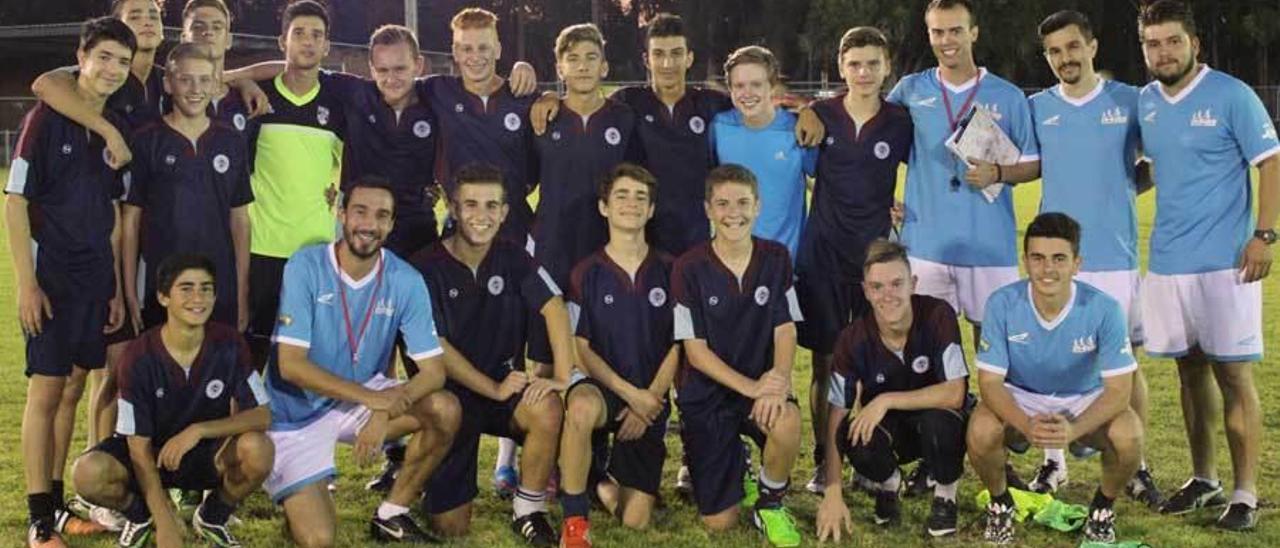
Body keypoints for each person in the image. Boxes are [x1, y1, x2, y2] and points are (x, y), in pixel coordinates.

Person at [1135, 0, 1278, 530]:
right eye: (1153, 43)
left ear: (1195, 43)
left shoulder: (1230, 95)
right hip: (1169, 262)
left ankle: (1244, 494)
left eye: (1173, 41)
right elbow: (1151, 167)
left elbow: (1270, 161)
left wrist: (1263, 235)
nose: (1163, 51)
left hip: (1226, 264)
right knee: (1188, 371)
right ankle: (1204, 478)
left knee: (1234, 374)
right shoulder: (1147, 103)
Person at [263, 177, 462, 545]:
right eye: (360, 212)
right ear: (340, 214)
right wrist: (373, 400)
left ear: (391, 224)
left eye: (381, 216)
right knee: (318, 539)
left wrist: (384, 409)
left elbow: (434, 371)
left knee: (445, 409)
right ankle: (298, 495)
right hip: (296, 412)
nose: (369, 224)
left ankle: (391, 514)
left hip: (363, 399)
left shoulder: (406, 279)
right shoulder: (305, 265)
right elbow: (291, 366)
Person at [5, 17, 134, 547]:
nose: (112, 69)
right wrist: (26, 283)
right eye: (103, 56)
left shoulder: (117, 122)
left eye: (122, 62)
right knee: (47, 389)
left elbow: (113, 212)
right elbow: (15, 204)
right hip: (51, 274)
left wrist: (114, 288)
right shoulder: (46, 117)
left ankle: (55, 507)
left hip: (93, 278)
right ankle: (39, 520)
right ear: (81, 57)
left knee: (76, 387)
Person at [1026, 9, 1161, 505]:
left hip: (1114, 258)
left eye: (1072, 47)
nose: (1065, 58)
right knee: (1055, 366)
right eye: (1055, 51)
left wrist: (1125, 188)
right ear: (1048, 57)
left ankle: (1139, 466)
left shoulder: (1129, 101)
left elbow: (1160, 159)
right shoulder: (1038, 106)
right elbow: (1022, 166)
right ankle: (1053, 466)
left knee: (1124, 369)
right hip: (1055, 262)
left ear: (1092, 46)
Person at [411, 163, 572, 545]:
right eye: (470, 205)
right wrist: (492, 388)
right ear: (452, 208)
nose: (480, 216)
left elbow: (554, 306)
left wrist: (562, 377)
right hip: (450, 399)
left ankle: (529, 508)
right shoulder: (424, 267)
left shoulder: (515, 258)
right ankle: (424, 474)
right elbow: (436, 344)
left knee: (547, 406)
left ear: (504, 212)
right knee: (450, 527)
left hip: (506, 387)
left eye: (490, 206)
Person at [70, 254, 273, 548]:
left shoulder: (229, 344)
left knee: (259, 449)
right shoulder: (138, 357)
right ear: (163, 297)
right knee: (87, 473)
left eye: (206, 288)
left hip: (203, 454)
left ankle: (213, 515)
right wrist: (163, 520)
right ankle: (140, 517)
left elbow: (262, 416)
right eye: (186, 288)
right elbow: (138, 450)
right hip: (148, 457)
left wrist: (198, 430)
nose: (198, 298)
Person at [967, 212, 1143, 545]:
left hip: (1082, 398)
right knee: (980, 428)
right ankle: (1001, 503)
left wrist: (1074, 429)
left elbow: (1120, 391)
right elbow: (989, 384)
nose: (1048, 269)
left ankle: (1102, 510)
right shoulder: (1002, 304)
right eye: (1038, 258)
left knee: (1129, 434)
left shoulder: (1105, 309)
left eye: (1059, 259)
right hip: (1021, 394)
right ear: (1025, 261)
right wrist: (1024, 422)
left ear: (1077, 263)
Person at [795, 26, 913, 493]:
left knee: (872, 365)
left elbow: (926, 173)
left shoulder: (901, 122)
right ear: (840, 68)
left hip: (875, 264)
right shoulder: (820, 114)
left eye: (872, 64)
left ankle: (868, 459)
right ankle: (826, 462)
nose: (863, 72)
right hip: (822, 255)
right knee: (825, 362)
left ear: (887, 68)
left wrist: (905, 210)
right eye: (854, 64)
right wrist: (803, 109)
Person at [672, 164, 803, 547]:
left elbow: (786, 327)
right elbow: (695, 353)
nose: (735, 212)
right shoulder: (688, 267)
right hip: (706, 394)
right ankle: (733, 462)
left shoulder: (776, 257)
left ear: (758, 206)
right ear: (708, 210)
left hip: (760, 385)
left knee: (788, 420)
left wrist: (777, 380)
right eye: (723, 203)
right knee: (720, 523)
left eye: (743, 202)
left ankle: (770, 502)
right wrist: (754, 389)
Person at [815, 240, 969, 541]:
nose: (887, 295)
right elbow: (836, 415)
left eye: (896, 284)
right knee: (855, 436)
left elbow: (955, 393)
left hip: (937, 421)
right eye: (877, 287)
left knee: (940, 422)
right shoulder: (852, 339)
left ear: (912, 283)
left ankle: (945, 495)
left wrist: (886, 399)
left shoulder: (938, 315)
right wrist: (832, 492)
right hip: (892, 430)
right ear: (866, 291)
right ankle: (889, 483)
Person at [559, 163, 678, 547]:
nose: (631, 203)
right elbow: (580, 349)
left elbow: (682, 344)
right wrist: (630, 396)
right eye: (622, 195)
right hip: (603, 388)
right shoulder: (585, 272)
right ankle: (575, 521)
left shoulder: (671, 270)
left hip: (651, 395)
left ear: (652, 210)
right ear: (604, 207)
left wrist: (650, 400)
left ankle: (597, 481)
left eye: (641, 197)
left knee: (634, 520)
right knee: (579, 408)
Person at [240, 0, 350, 369]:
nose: (307, 42)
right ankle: (244, 429)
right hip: (262, 248)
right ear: (282, 41)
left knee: (309, 364)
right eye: (298, 33)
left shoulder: (340, 101)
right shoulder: (256, 97)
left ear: (327, 47)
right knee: (251, 358)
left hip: (316, 254)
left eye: (316, 35)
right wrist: (238, 78)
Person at [425, 7, 542, 246]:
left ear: (498, 49)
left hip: (515, 226)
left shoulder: (524, 98)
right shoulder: (437, 91)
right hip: (460, 225)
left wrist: (548, 94)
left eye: (483, 47)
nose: (475, 56)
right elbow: (393, 86)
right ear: (455, 52)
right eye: (466, 48)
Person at [532, 22, 636, 287]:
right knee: (552, 324)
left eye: (591, 58)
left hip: (607, 244)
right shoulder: (543, 117)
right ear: (560, 68)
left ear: (604, 67)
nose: (582, 66)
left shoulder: (623, 118)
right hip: (552, 245)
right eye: (573, 59)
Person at [710, 45, 815, 259]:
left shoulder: (797, 131)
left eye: (756, 84)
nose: (747, 93)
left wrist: (807, 109)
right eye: (739, 85)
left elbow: (828, 182)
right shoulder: (718, 128)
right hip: (730, 263)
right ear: (730, 90)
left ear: (773, 87)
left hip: (786, 266)